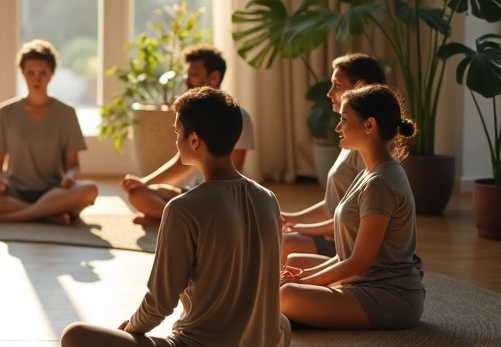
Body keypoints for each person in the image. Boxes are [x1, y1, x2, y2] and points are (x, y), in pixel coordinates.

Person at [60, 87, 290, 347]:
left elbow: (159, 303)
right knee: (281, 323)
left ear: (194, 141)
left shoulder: (183, 208)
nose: (176, 141)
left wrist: (128, 335)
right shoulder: (268, 198)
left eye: (177, 133)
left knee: (75, 338)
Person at [280, 85, 424, 330]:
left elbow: (359, 262)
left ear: (369, 125)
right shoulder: (370, 171)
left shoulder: (380, 182)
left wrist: (306, 283)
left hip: (389, 296)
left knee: (287, 295)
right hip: (361, 280)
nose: (338, 127)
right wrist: (303, 278)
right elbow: (344, 255)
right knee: (293, 262)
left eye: (344, 120)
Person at [0, 40, 98, 225]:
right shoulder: (6, 112)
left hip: (54, 192)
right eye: (30, 72)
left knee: (90, 190)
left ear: (52, 75)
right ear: (22, 73)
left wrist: (70, 177)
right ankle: (47, 215)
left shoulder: (67, 113)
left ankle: (8, 216)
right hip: (13, 191)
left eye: (43, 73)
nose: (36, 79)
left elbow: (73, 165)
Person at [121, 45, 256, 225]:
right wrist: (142, 183)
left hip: (219, 197)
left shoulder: (236, 116)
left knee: (182, 205)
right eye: (186, 74)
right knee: (137, 194)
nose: (187, 80)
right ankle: (178, 219)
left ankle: (174, 219)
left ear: (214, 77)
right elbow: (180, 165)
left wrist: (201, 197)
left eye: (193, 74)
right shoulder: (192, 116)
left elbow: (235, 169)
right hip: (190, 192)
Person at [281, 54, 387, 261]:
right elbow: (333, 207)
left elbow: (355, 220)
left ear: (360, 86)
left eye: (337, 85)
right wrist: (288, 219)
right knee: (280, 237)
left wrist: (299, 227)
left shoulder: (369, 145)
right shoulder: (351, 138)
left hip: (351, 246)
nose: (329, 93)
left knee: (284, 243)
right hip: (339, 235)